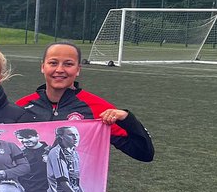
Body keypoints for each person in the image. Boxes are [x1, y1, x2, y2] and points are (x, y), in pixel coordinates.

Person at [17, 41, 155, 162]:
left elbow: (144, 153)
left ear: (78, 70)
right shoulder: (22, 107)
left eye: (68, 64)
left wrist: (127, 118)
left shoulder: (98, 109)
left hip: (80, 183)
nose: (59, 69)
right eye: (53, 63)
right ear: (43, 67)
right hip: (33, 183)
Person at [14, 128, 50, 192]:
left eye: (28, 137)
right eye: (21, 138)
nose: (25, 140)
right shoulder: (18, 153)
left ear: (37, 136)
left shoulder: (51, 151)